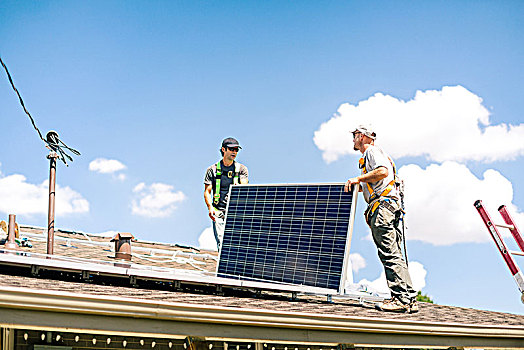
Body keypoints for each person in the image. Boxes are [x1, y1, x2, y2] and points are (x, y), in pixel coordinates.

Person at [344, 125, 418, 313]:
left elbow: (382, 172)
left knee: (389, 253)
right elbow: (378, 180)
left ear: (361, 136)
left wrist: (357, 179)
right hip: (390, 206)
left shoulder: (371, 152)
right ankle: (408, 297)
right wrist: (358, 187)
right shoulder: (376, 154)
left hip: (383, 207)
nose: (353, 140)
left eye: (354, 136)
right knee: (394, 252)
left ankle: (400, 298)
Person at [204, 137, 249, 250]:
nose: (234, 152)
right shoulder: (212, 170)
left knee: (237, 244)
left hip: (235, 212)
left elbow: (245, 189)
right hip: (218, 211)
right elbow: (207, 191)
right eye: (231, 149)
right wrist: (210, 208)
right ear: (223, 149)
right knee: (222, 245)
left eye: (236, 150)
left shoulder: (241, 169)